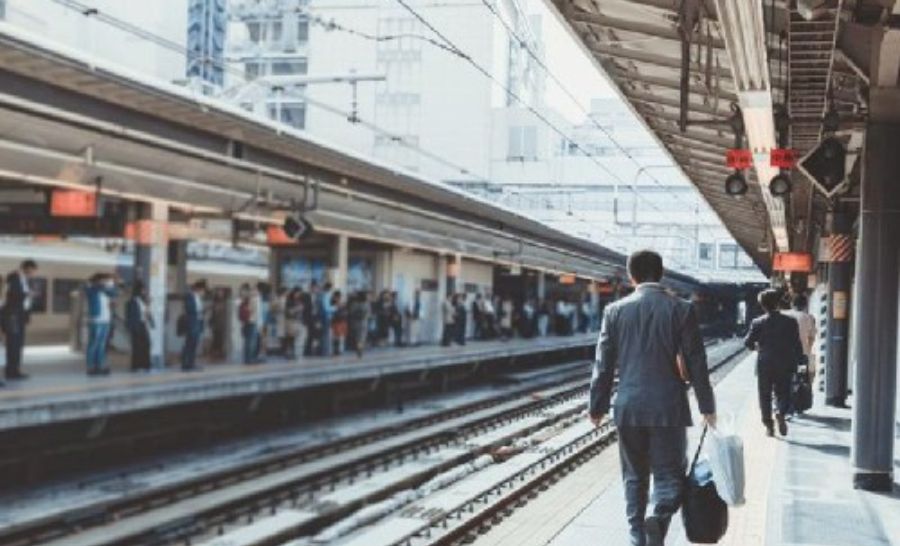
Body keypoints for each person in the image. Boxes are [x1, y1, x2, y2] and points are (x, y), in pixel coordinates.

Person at [589, 250, 716, 546]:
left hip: (629, 407)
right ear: (660, 274)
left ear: (631, 276)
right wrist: (707, 406)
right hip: (668, 407)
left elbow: (603, 365)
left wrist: (596, 407)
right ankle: (657, 519)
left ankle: (637, 537)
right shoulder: (681, 309)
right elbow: (696, 361)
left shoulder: (615, 311)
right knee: (669, 476)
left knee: (634, 477)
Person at [744, 288, 805, 437]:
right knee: (784, 392)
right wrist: (800, 362)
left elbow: (747, 342)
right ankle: (780, 412)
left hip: (765, 363)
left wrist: (756, 347)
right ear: (778, 303)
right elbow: (797, 344)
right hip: (785, 362)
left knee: (764, 395)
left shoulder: (757, 322)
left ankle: (769, 426)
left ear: (763, 305)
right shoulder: (790, 322)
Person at [1, 259, 38, 381]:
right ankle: (10, 371)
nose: (34, 274)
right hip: (12, 316)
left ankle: (16, 370)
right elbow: (12, 294)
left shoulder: (25, 280)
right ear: (27, 268)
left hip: (20, 316)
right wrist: (28, 294)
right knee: (13, 344)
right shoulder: (13, 277)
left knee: (18, 344)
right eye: (33, 271)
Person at [84, 273, 118, 376]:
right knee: (94, 343)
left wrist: (112, 285)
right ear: (98, 280)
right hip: (96, 320)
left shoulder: (106, 291)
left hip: (106, 320)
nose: (107, 283)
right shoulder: (92, 289)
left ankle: (100, 365)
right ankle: (91, 366)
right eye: (105, 280)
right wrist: (100, 285)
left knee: (102, 344)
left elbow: (114, 293)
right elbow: (89, 289)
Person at [783, 293, 817, 383]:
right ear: (806, 305)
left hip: (784, 356)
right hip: (802, 357)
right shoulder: (809, 318)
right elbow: (812, 338)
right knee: (802, 376)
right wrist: (807, 349)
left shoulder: (783, 315)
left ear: (792, 304)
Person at [126, 280, 153, 372]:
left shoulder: (144, 301)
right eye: (143, 290)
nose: (144, 291)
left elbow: (147, 312)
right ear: (138, 290)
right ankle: (136, 366)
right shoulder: (132, 301)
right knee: (137, 346)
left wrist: (151, 322)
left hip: (143, 324)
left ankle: (145, 364)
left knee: (147, 344)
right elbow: (129, 315)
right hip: (136, 325)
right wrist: (130, 327)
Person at [181, 279, 207, 371]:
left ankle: (191, 363)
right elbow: (189, 309)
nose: (203, 293)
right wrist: (199, 310)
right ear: (199, 289)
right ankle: (185, 364)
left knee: (194, 344)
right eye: (203, 291)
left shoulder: (198, 299)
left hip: (197, 323)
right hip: (191, 323)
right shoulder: (190, 296)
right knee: (189, 344)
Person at [237, 283, 259, 365]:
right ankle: (248, 359)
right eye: (255, 290)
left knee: (248, 341)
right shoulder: (251, 299)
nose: (256, 292)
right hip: (251, 322)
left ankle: (247, 358)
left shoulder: (247, 299)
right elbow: (251, 310)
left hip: (247, 322)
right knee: (250, 342)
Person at [283, 288, 303, 359]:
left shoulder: (298, 301)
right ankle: (289, 353)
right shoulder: (289, 301)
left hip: (296, 321)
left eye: (299, 293)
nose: (298, 295)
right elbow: (288, 312)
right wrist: (297, 309)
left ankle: (293, 353)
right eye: (297, 293)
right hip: (290, 322)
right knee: (290, 338)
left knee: (294, 338)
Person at [348, 291, 369, 358]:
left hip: (356, 322)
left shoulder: (355, 304)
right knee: (362, 337)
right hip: (364, 322)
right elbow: (368, 313)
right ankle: (360, 350)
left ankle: (359, 350)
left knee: (357, 337)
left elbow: (351, 312)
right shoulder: (366, 304)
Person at [209, 288, 228, 361]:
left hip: (221, 322)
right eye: (219, 292)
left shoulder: (224, 301)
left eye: (221, 292)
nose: (220, 294)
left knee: (220, 338)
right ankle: (216, 352)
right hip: (217, 322)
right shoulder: (216, 301)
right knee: (217, 338)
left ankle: (219, 352)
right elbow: (215, 311)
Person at [331, 290, 347, 356]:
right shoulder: (333, 303)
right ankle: (337, 350)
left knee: (340, 337)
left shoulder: (341, 304)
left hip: (340, 322)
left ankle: (339, 350)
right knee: (337, 337)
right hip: (337, 322)